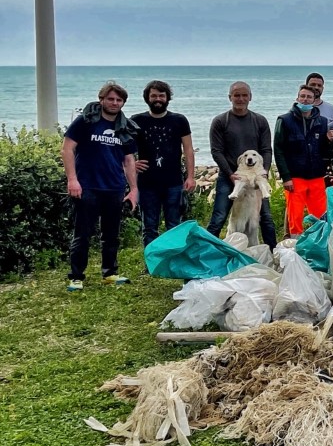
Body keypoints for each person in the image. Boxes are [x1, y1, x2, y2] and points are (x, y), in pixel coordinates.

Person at [62, 81, 139, 291]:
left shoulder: (124, 127)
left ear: (123, 103)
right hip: (87, 186)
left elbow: (129, 160)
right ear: (102, 100)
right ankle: (76, 276)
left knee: (111, 234)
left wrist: (133, 189)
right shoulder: (85, 122)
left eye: (119, 100)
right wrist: (72, 179)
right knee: (82, 234)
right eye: (111, 99)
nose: (114, 103)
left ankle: (110, 273)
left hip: (114, 188)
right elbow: (67, 149)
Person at [208, 81, 277, 247]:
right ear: (230, 97)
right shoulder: (220, 121)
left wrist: (264, 172)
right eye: (236, 95)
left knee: (265, 217)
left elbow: (267, 149)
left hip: (255, 178)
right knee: (219, 217)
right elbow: (217, 151)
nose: (240, 99)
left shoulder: (260, 121)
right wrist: (231, 174)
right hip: (229, 177)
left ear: (250, 97)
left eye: (244, 95)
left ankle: (274, 254)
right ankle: (206, 253)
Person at [130, 79, 196, 246]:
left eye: (161, 95)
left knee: (174, 225)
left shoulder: (179, 120)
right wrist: (132, 164)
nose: (158, 99)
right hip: (146, 182)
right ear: (147, 98)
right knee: (149, 226)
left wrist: (190, 177)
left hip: (173, 182)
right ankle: (151, 261)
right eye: (154, 96)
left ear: (167, 98)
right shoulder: (136, 120)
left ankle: (172, 260)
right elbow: (125, 149)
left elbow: (188, 149)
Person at [273, 84, 331, 235]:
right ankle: (294, 246)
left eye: (309, 97)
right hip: (295, 177)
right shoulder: (284, 120)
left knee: (320, 217)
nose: (305, 100)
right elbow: (278, 150)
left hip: (317, 176)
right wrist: (286, 177)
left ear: (314, 100)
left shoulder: (323, 122)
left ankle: (319, 243)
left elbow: (325, 149)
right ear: (297, 98)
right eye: (303, 96)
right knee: (295, 216)